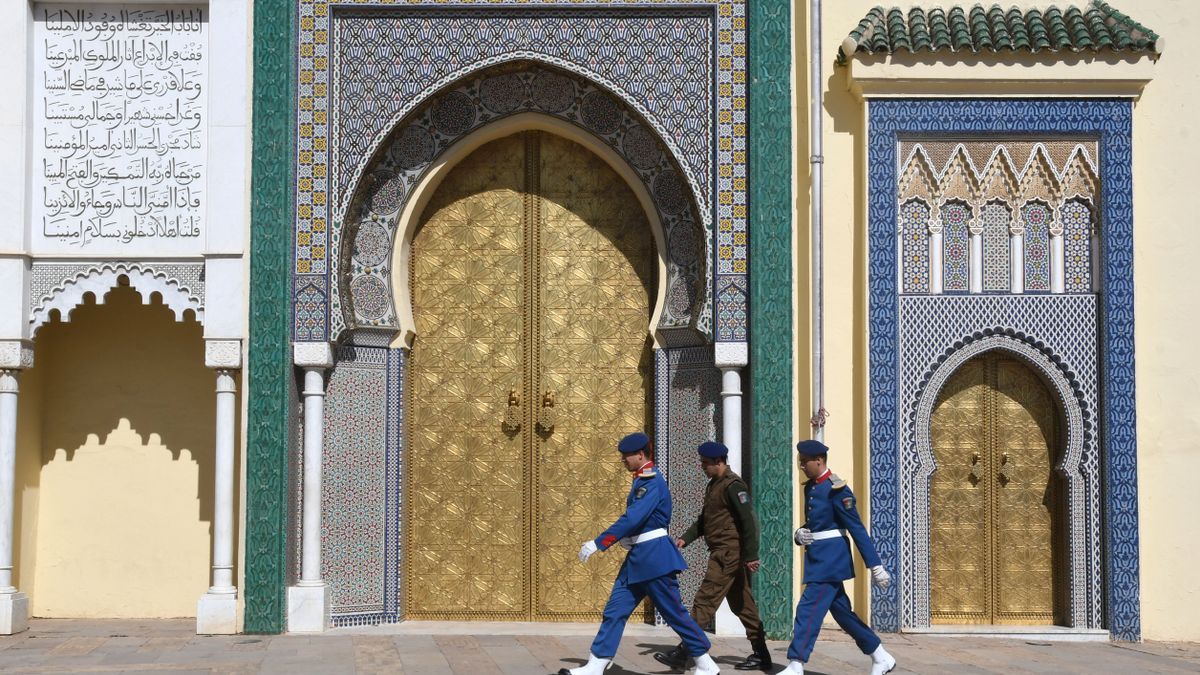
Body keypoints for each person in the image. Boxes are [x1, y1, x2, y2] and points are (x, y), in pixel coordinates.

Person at [560, 432, 721, 675]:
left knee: (673, 613)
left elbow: (633, 517)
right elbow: (641, 521)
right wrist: (628, 539)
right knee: (615, 610)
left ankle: (705, 663)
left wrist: (599, 542)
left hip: (654, 559)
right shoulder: (641, 480)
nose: (623, 460)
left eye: (627, 456)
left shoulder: (652, 481)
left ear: (640, 454)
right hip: (638, 558)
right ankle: (597, 663)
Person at [655, 441, 771, 671]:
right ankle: (762, 654)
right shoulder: (714, 485)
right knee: (743, 604)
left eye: (705, 463)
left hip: (727, 553)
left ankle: (683, 651)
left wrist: (751, 555)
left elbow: (749, 522)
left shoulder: (733, 486)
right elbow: (705, 520)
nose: (702, 467)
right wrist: (685, 538)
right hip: (724, 551)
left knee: (705, 600)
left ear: (719, 462)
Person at [785, 439, 896, 675]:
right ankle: (880, 655)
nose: (802, 466)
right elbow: (816, 524)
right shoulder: (811, 487)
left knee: (808, 609)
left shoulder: (838, 489)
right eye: (800, 462)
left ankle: (796, 664)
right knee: (844, 615)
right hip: (818, 558)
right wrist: (800, 534)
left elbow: (856, 528)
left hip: (831, 562)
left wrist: (875, 566)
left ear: (819, 460)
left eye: (805, 462)